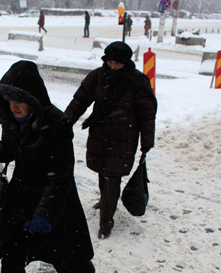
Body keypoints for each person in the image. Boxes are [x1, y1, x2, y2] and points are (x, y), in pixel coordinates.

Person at [0, 61, 96, 273]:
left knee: (64, 256)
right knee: (11, 255)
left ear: (33, 97)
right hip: (20, 199)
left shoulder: (57, 124)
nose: (13, 106)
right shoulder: (12, 121)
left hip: (53, 202)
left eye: (19, 100)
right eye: (8, 100)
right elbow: (14, 150)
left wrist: (46, 214)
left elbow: (60, 176)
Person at [64, 42, 157, 239]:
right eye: (110, 62)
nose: (112, 67)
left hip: (124, 139)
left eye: (117, 63)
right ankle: (106, 200)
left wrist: (147, 142)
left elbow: (147, 116)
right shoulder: (98, 76)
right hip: (99, 136)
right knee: (102, 171)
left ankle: (106, 221)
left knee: (112, 177)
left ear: (126, 62)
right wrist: (65, 122)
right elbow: (80, 101)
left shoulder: (137, 82)